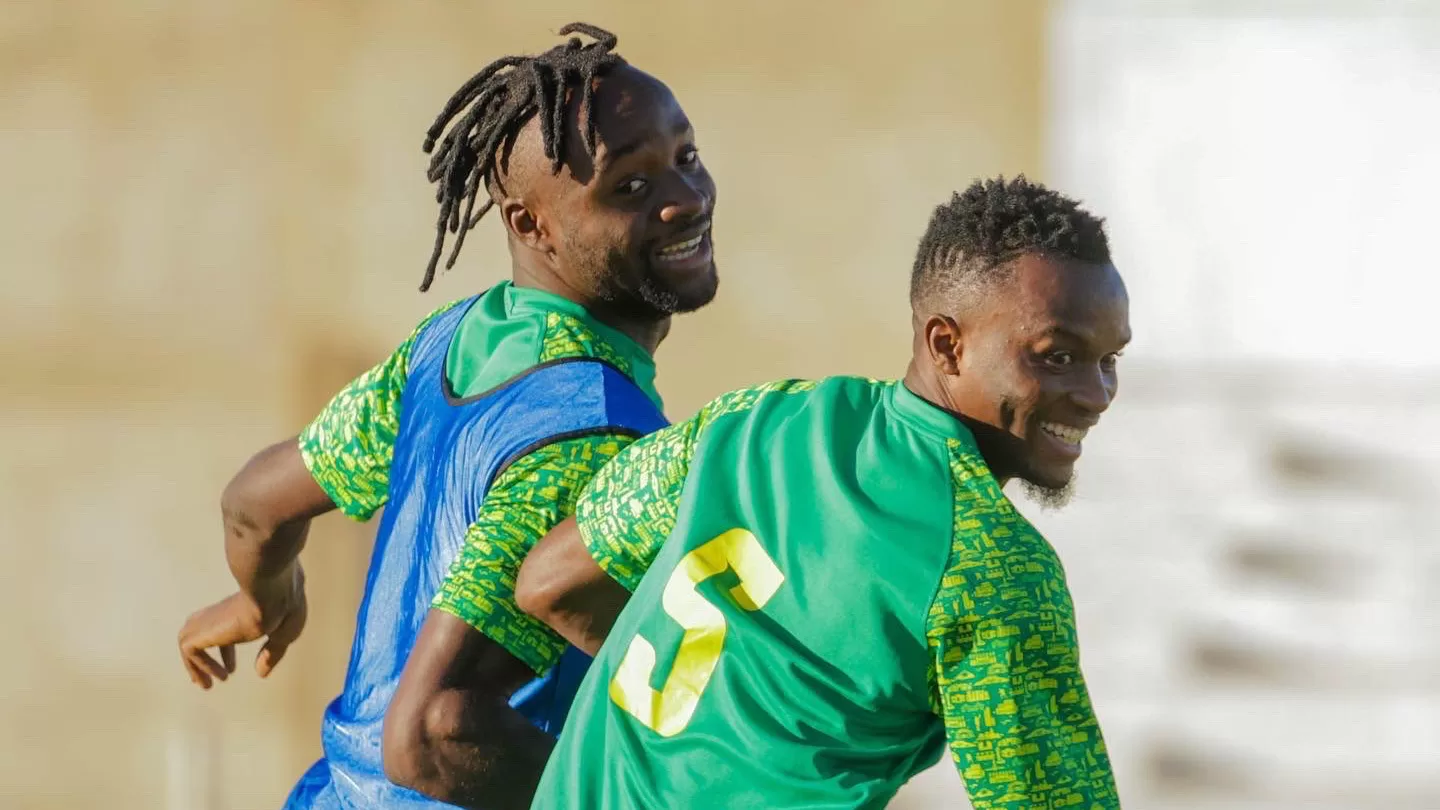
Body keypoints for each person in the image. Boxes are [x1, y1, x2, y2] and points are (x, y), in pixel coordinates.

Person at [175, 23, 719, 810]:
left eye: (687, 158)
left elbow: (255, 503)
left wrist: (262, 599)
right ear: (530, 224)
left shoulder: (457, 341)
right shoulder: (588, 429)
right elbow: (432, 734)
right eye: (629, 187)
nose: (685, 200)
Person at [516, 176, 1129, 809]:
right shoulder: (992, 569)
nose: (1097, 393)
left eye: (1110, 359)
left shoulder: (754, 419)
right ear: (948, 345)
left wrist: (718, 704)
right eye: (1058, 357)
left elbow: (549, 581)